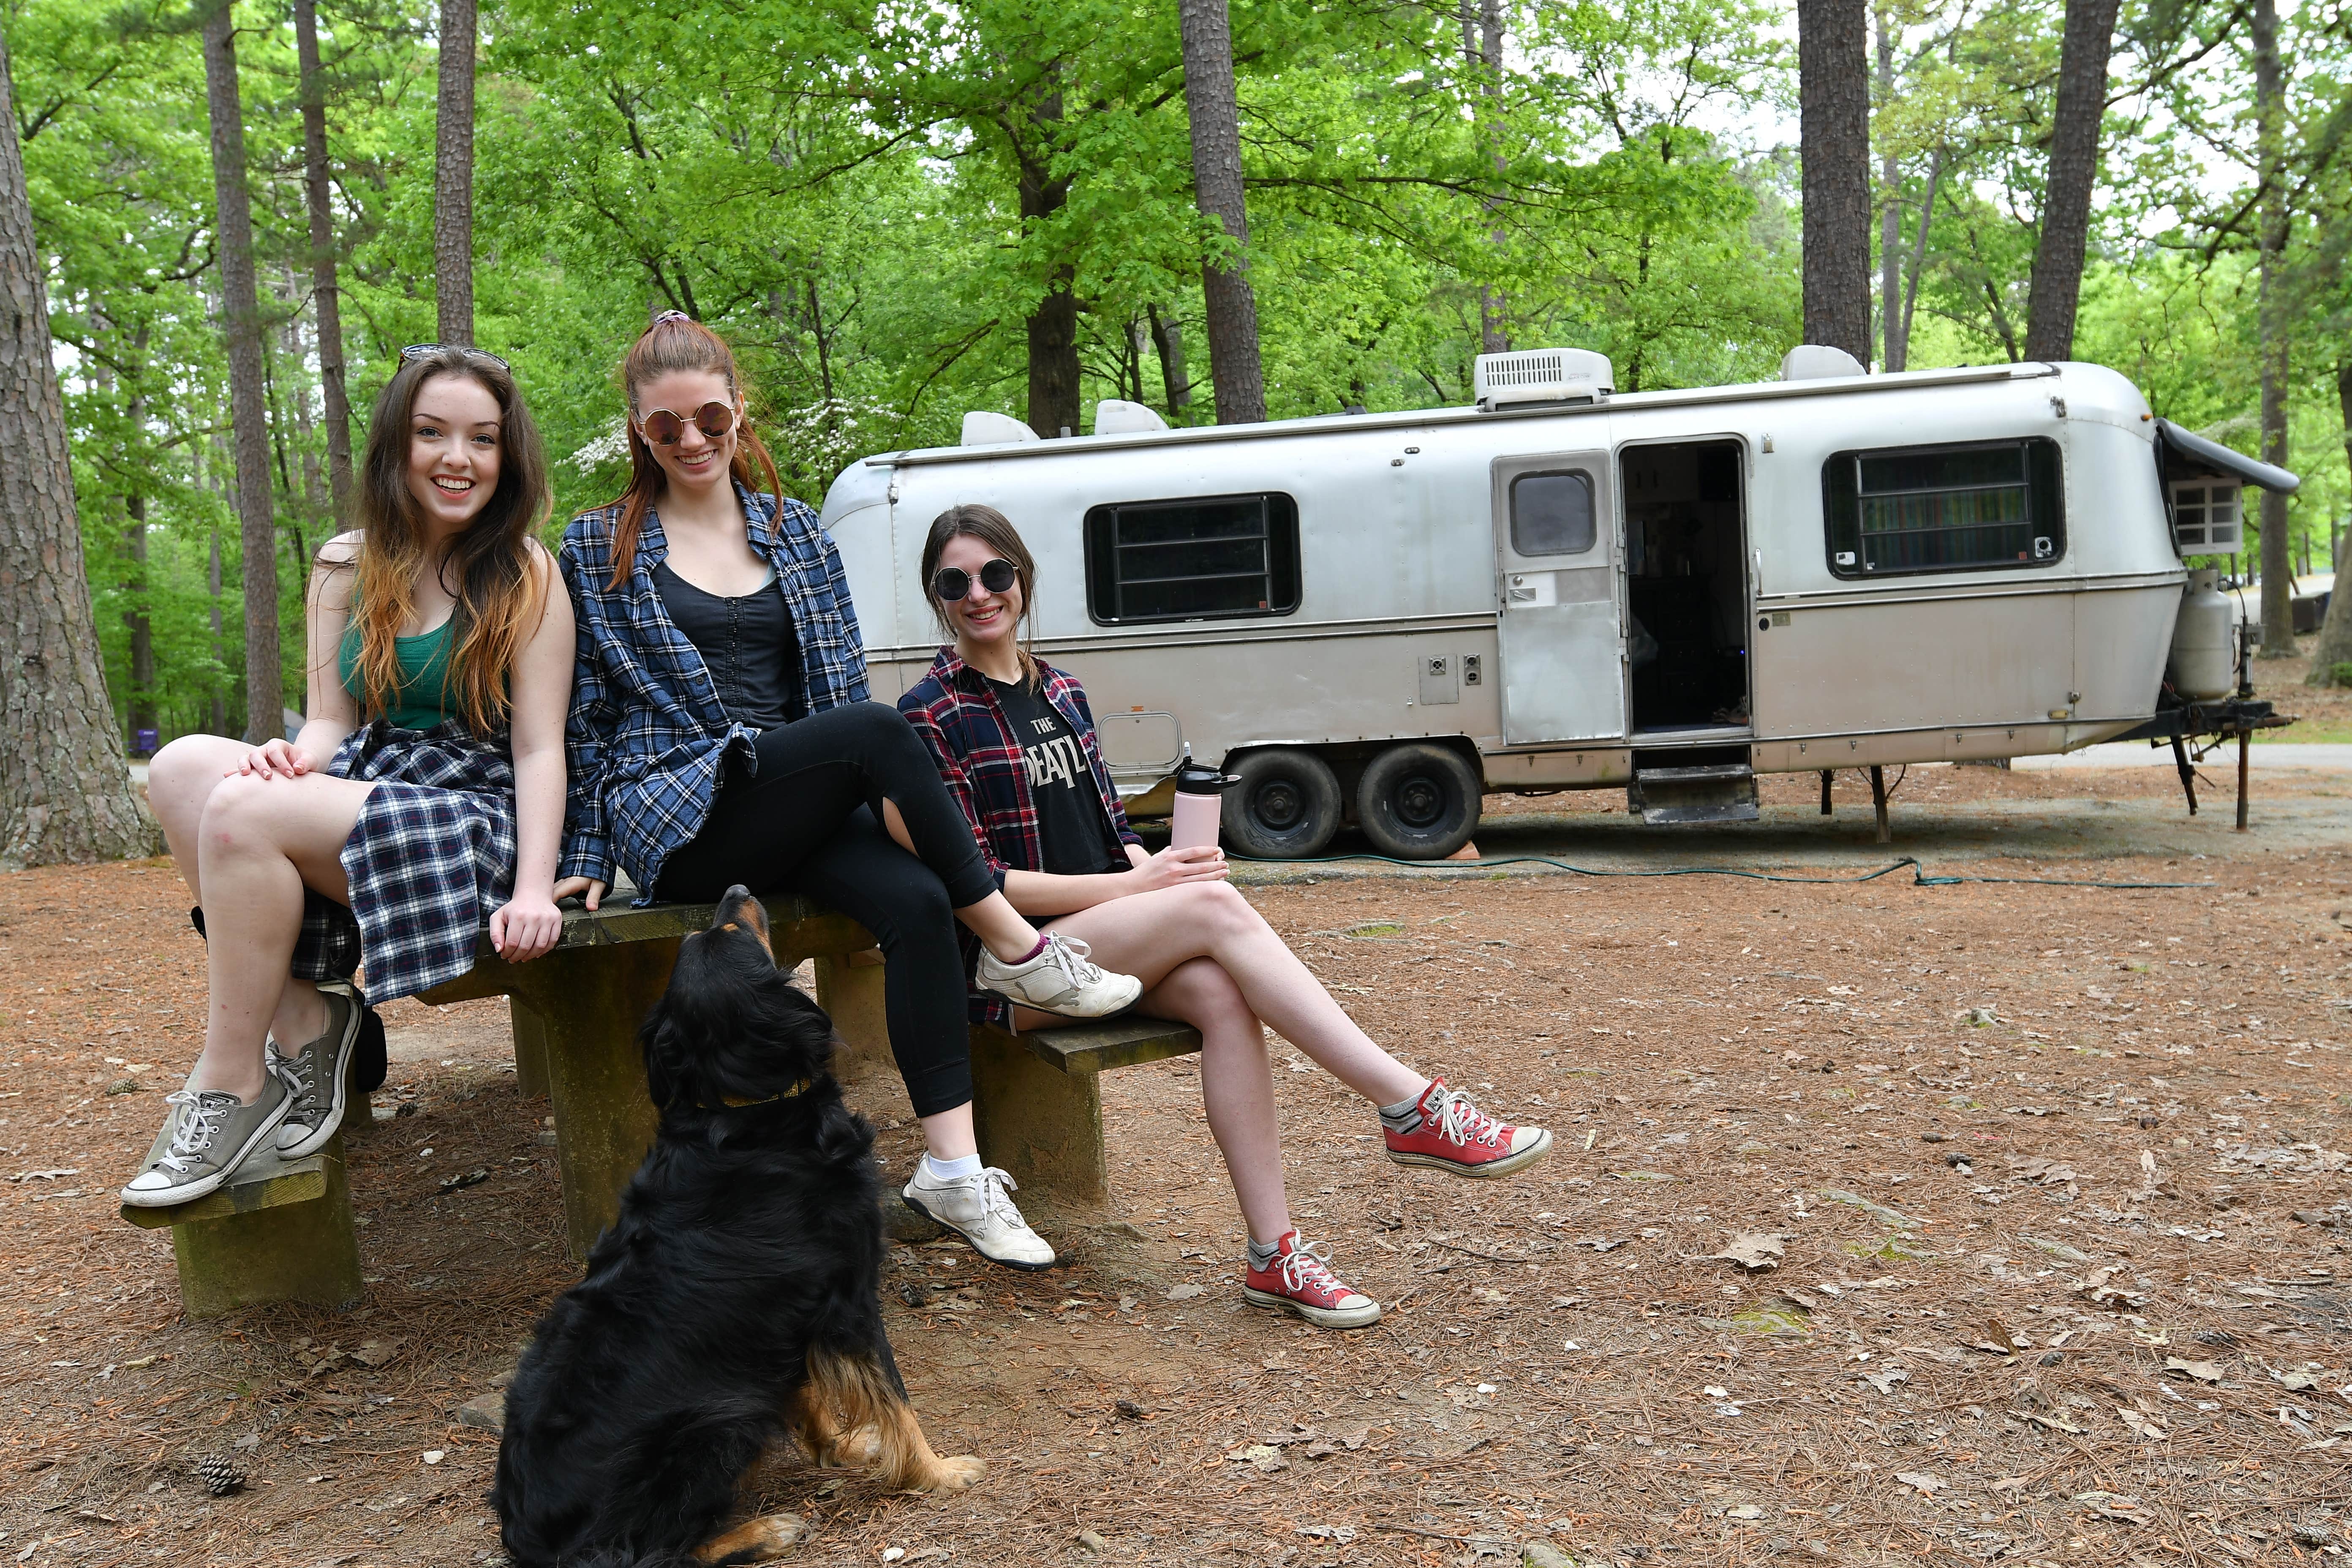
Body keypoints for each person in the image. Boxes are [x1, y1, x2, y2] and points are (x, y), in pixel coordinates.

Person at [555, 314, 1143, 1269]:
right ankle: (1017, 945)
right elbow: (584, 718)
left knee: (914, 898)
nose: (693, 441)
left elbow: (828, 696)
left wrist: (880, 826)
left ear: (740, 413)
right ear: (638, 431)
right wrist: (578, 860)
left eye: (710, 417)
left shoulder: (796, 536)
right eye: (668, 428)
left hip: (796, 795)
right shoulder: (596, 547)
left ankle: (952, 1170)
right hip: (680, 808)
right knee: (881, 725)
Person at [898, 504, 1554, 1328]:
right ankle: (1410, 1105)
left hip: (1101, 941)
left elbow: (1109, 833)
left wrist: (1155, 869)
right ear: (937, 595)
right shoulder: (929, 714)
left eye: (996, 573)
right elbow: (980, 881)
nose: (980, 594)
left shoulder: (1061, 691)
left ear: (1023, 578)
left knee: (1219, 989)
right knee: (1206, 905)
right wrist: (1154, 891)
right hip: (1013, 963)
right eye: (956, 582)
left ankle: (1274, 1255)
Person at [128, 346, 574, 1206]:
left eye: (483, 439)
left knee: (243, 816)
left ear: (507, 456)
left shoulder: (526, 572)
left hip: (472, 816)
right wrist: (291, 761)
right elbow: (331, 720)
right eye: (432, 433)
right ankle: (307, 1021)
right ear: (394, 446)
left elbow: (538, 749)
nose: (459, 457)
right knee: (186, 769)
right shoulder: (345, 563)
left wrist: (534, 890)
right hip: (370, 780)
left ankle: (231, 1086)